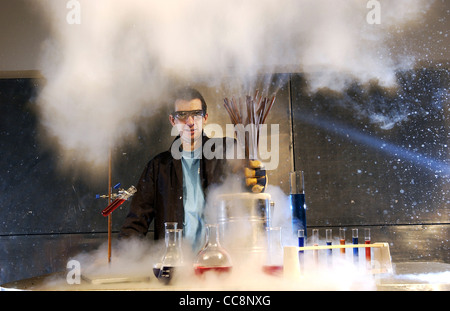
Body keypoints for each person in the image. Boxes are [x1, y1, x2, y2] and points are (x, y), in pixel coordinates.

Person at [119, 87, 266, 250]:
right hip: (176, 265)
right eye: (182, 115)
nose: (189, 122)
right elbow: (135, 224)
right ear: (172, 120)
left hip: (220, 261)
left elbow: (251, 187)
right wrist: (122, 257)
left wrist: (257, 177)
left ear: (205, 118)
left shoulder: (227, 151)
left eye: (196, 114)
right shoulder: (158, 167)